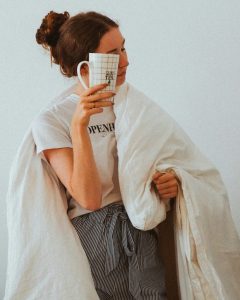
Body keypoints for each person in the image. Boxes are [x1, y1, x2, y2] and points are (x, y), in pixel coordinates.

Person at [33, 10, 180, 299]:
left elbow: (161, 161)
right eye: (113, 54)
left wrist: (170, 182)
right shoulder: (52, 121)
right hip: (94, 234)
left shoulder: (133, 106)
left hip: (140, 223)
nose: (126, 61)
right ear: (85, 67)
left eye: (123, 48)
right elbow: (88, 198)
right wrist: (79, 126)